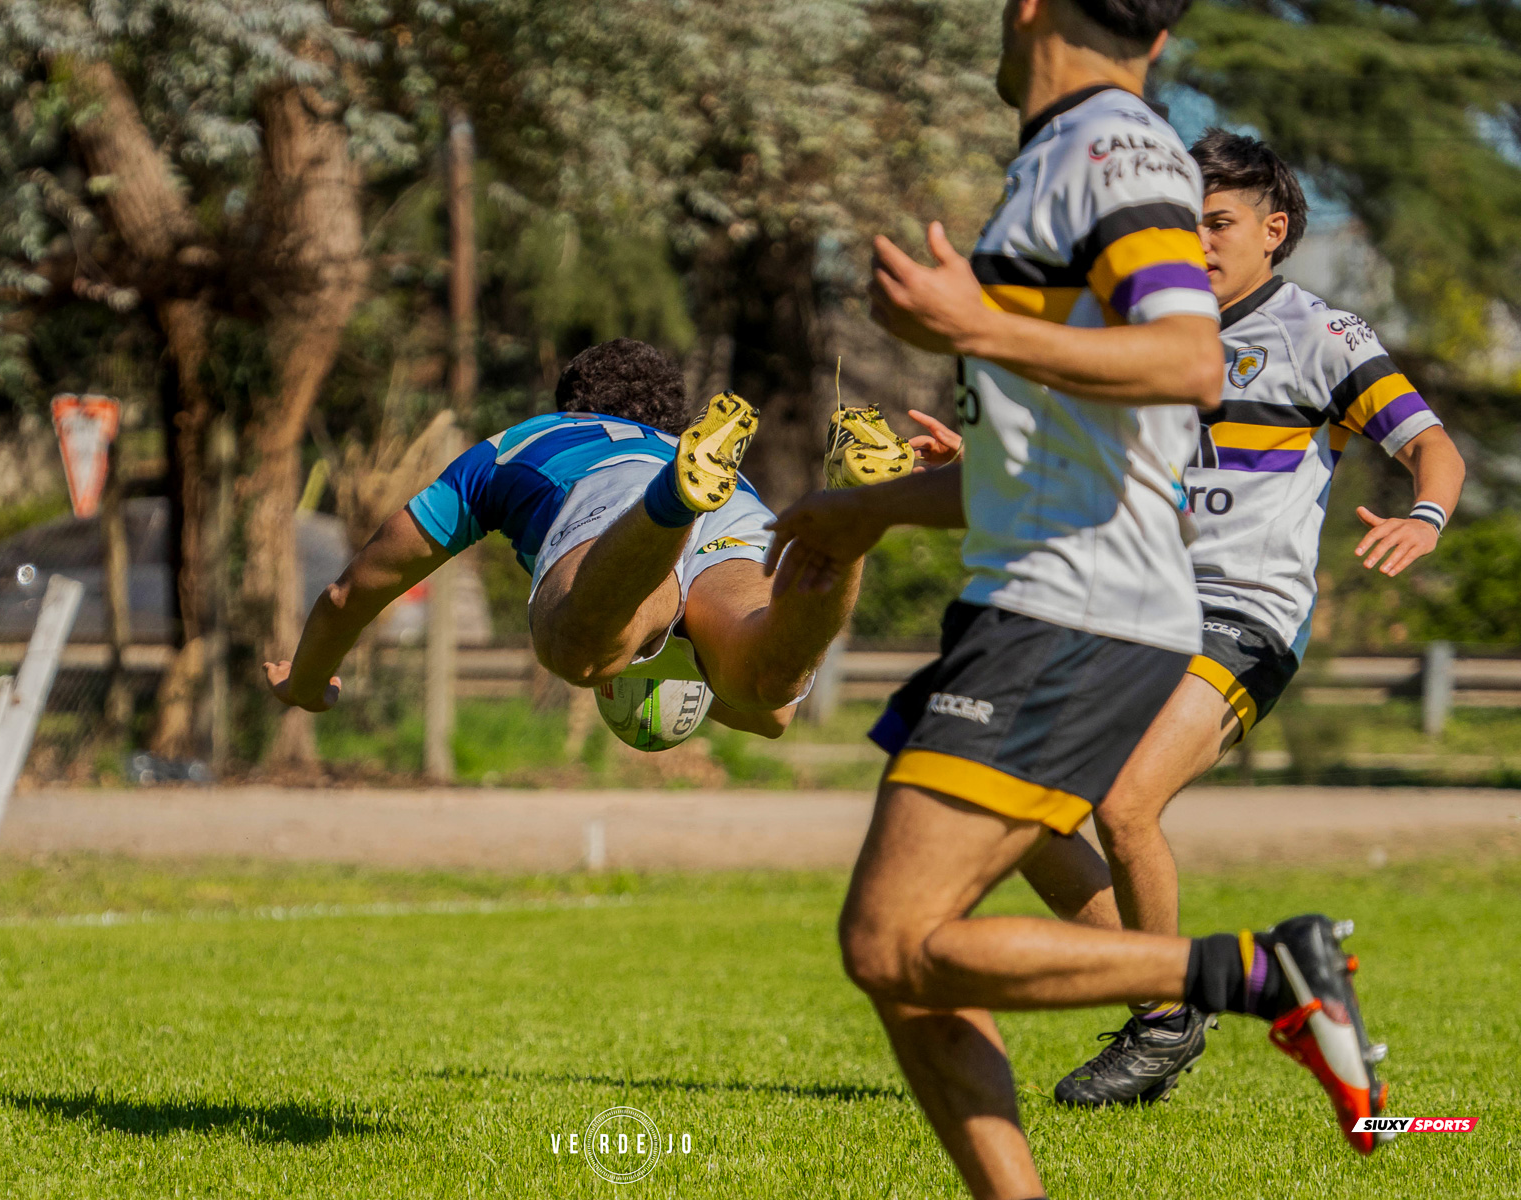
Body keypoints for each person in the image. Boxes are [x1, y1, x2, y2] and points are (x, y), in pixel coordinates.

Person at [765, 0, 1393, 1192]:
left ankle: (1258, 976)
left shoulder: (1113, 148)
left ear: (1030, 8)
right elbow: (1071, 455)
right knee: (904, 954)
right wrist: (870, 509)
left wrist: (973, 324)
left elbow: (1186, 359)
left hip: (1072, 613)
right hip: (1043, 601)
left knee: (892, 938)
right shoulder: (1070, 151)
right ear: (1154, 37)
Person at [1017, 130, 1464, 1107]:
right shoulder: (1139, 331)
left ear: (1274, 229)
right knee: (1015, 814)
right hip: (1129, 608)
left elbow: (1434, 448)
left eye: (1216, 222)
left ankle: (1161, 1022)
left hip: (1243, 615)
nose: (1196, 241)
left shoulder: (1322, 336)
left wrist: (1425, 516)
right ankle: (1171, 1003)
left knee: (1123, 804)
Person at [262, 337, 912, 740]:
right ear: (673, 422)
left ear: (570, 405)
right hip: (737, 509)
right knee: (769, 683)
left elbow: (353, 590)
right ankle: (847, 515)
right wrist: (671, 656)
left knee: (580, 654)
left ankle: (673, 500)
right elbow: (772, 715)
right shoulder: (721, 470)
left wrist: (306, 681)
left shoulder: (526, 441)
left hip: (617, 490)